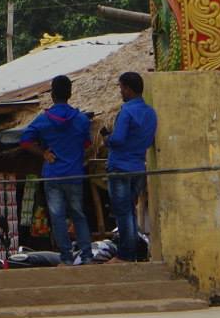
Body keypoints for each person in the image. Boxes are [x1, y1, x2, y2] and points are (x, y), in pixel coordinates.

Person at [19, 74, 94, 265]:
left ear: (52, 94)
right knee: (78, 214)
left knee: (57, 217)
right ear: (70, 93)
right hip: (75, 174)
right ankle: (86, 255)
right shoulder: (81, 120)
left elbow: (25, 141)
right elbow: (87, 143)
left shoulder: (43, 120)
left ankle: (67, 258)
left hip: (52, 176)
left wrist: (43, 152)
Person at [105, 72, 158, 263]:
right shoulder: (150, 112)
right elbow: (150, 139)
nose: (120, 91)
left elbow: (118, 139)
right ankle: (133, 252)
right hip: (138, 166)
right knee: (131, 210)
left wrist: (107, 139)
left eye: (121, 88)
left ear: (127, 88)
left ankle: (125, 254)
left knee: (123, 212)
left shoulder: (126, 111)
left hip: (120, 166)